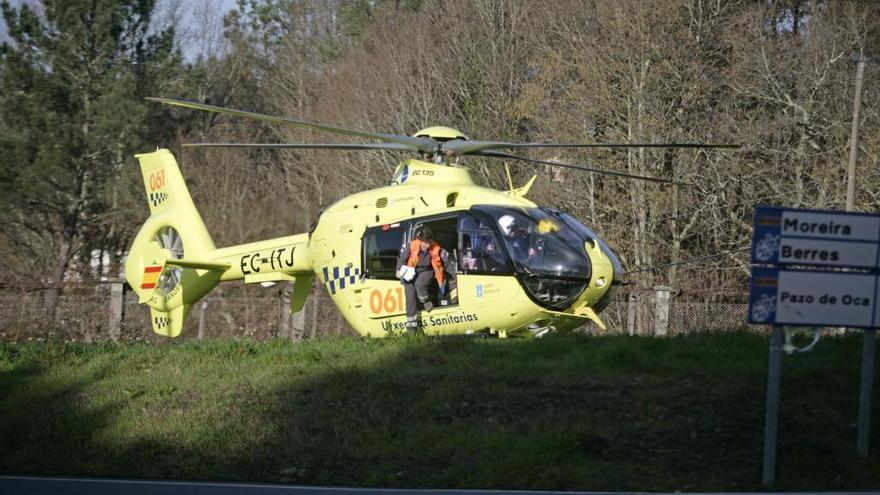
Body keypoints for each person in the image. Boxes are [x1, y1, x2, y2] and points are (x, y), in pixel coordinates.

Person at [396, 226, 446, 332]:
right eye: (424, 242)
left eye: (428, 242)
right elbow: (402, 259)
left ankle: (426, 301)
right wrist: (398, 270)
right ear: (420, 240)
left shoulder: (435, 248)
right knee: (410, 297)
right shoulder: (412, 245)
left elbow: (445, 260)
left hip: (427, 271)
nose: (426, 245)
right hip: (411, 272)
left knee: (419, 283)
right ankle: (412, 327)